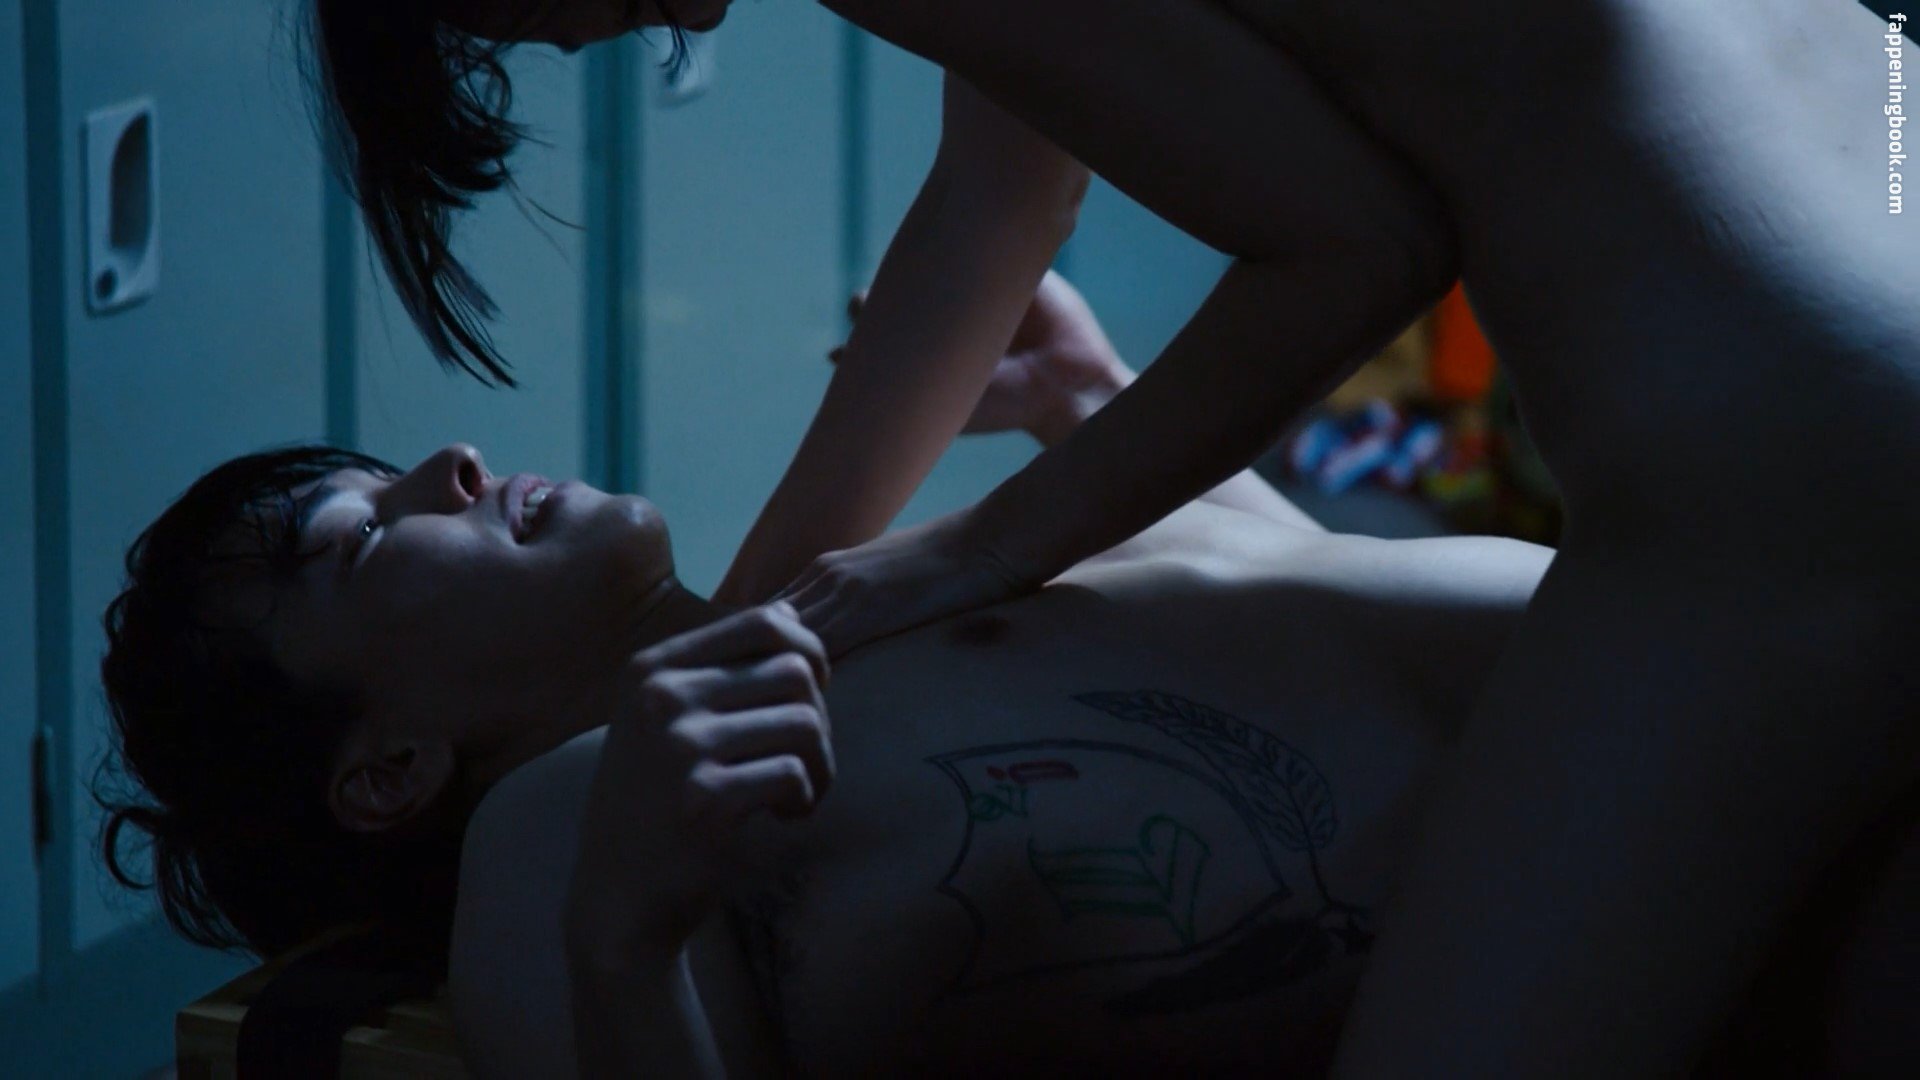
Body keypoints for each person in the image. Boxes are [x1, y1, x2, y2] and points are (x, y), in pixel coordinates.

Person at [303, 3, 1917, 1069]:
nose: (568, 41)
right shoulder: (575, 836)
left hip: (1777, 411)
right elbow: (1004, 196)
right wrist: (796, 602)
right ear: (382, 770)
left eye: (500, 17)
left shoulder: (617, 817)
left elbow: (1351, 239)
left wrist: (977, 551)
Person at [99, 276, 1914, 1077]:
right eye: (360, 540)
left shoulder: (845, 605)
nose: (448, 464)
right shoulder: (563, 845)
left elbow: (1295, 621)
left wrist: (1103, 416)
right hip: (1802, 896)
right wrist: (626, 939)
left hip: (1790, 687)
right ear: (388, 769)